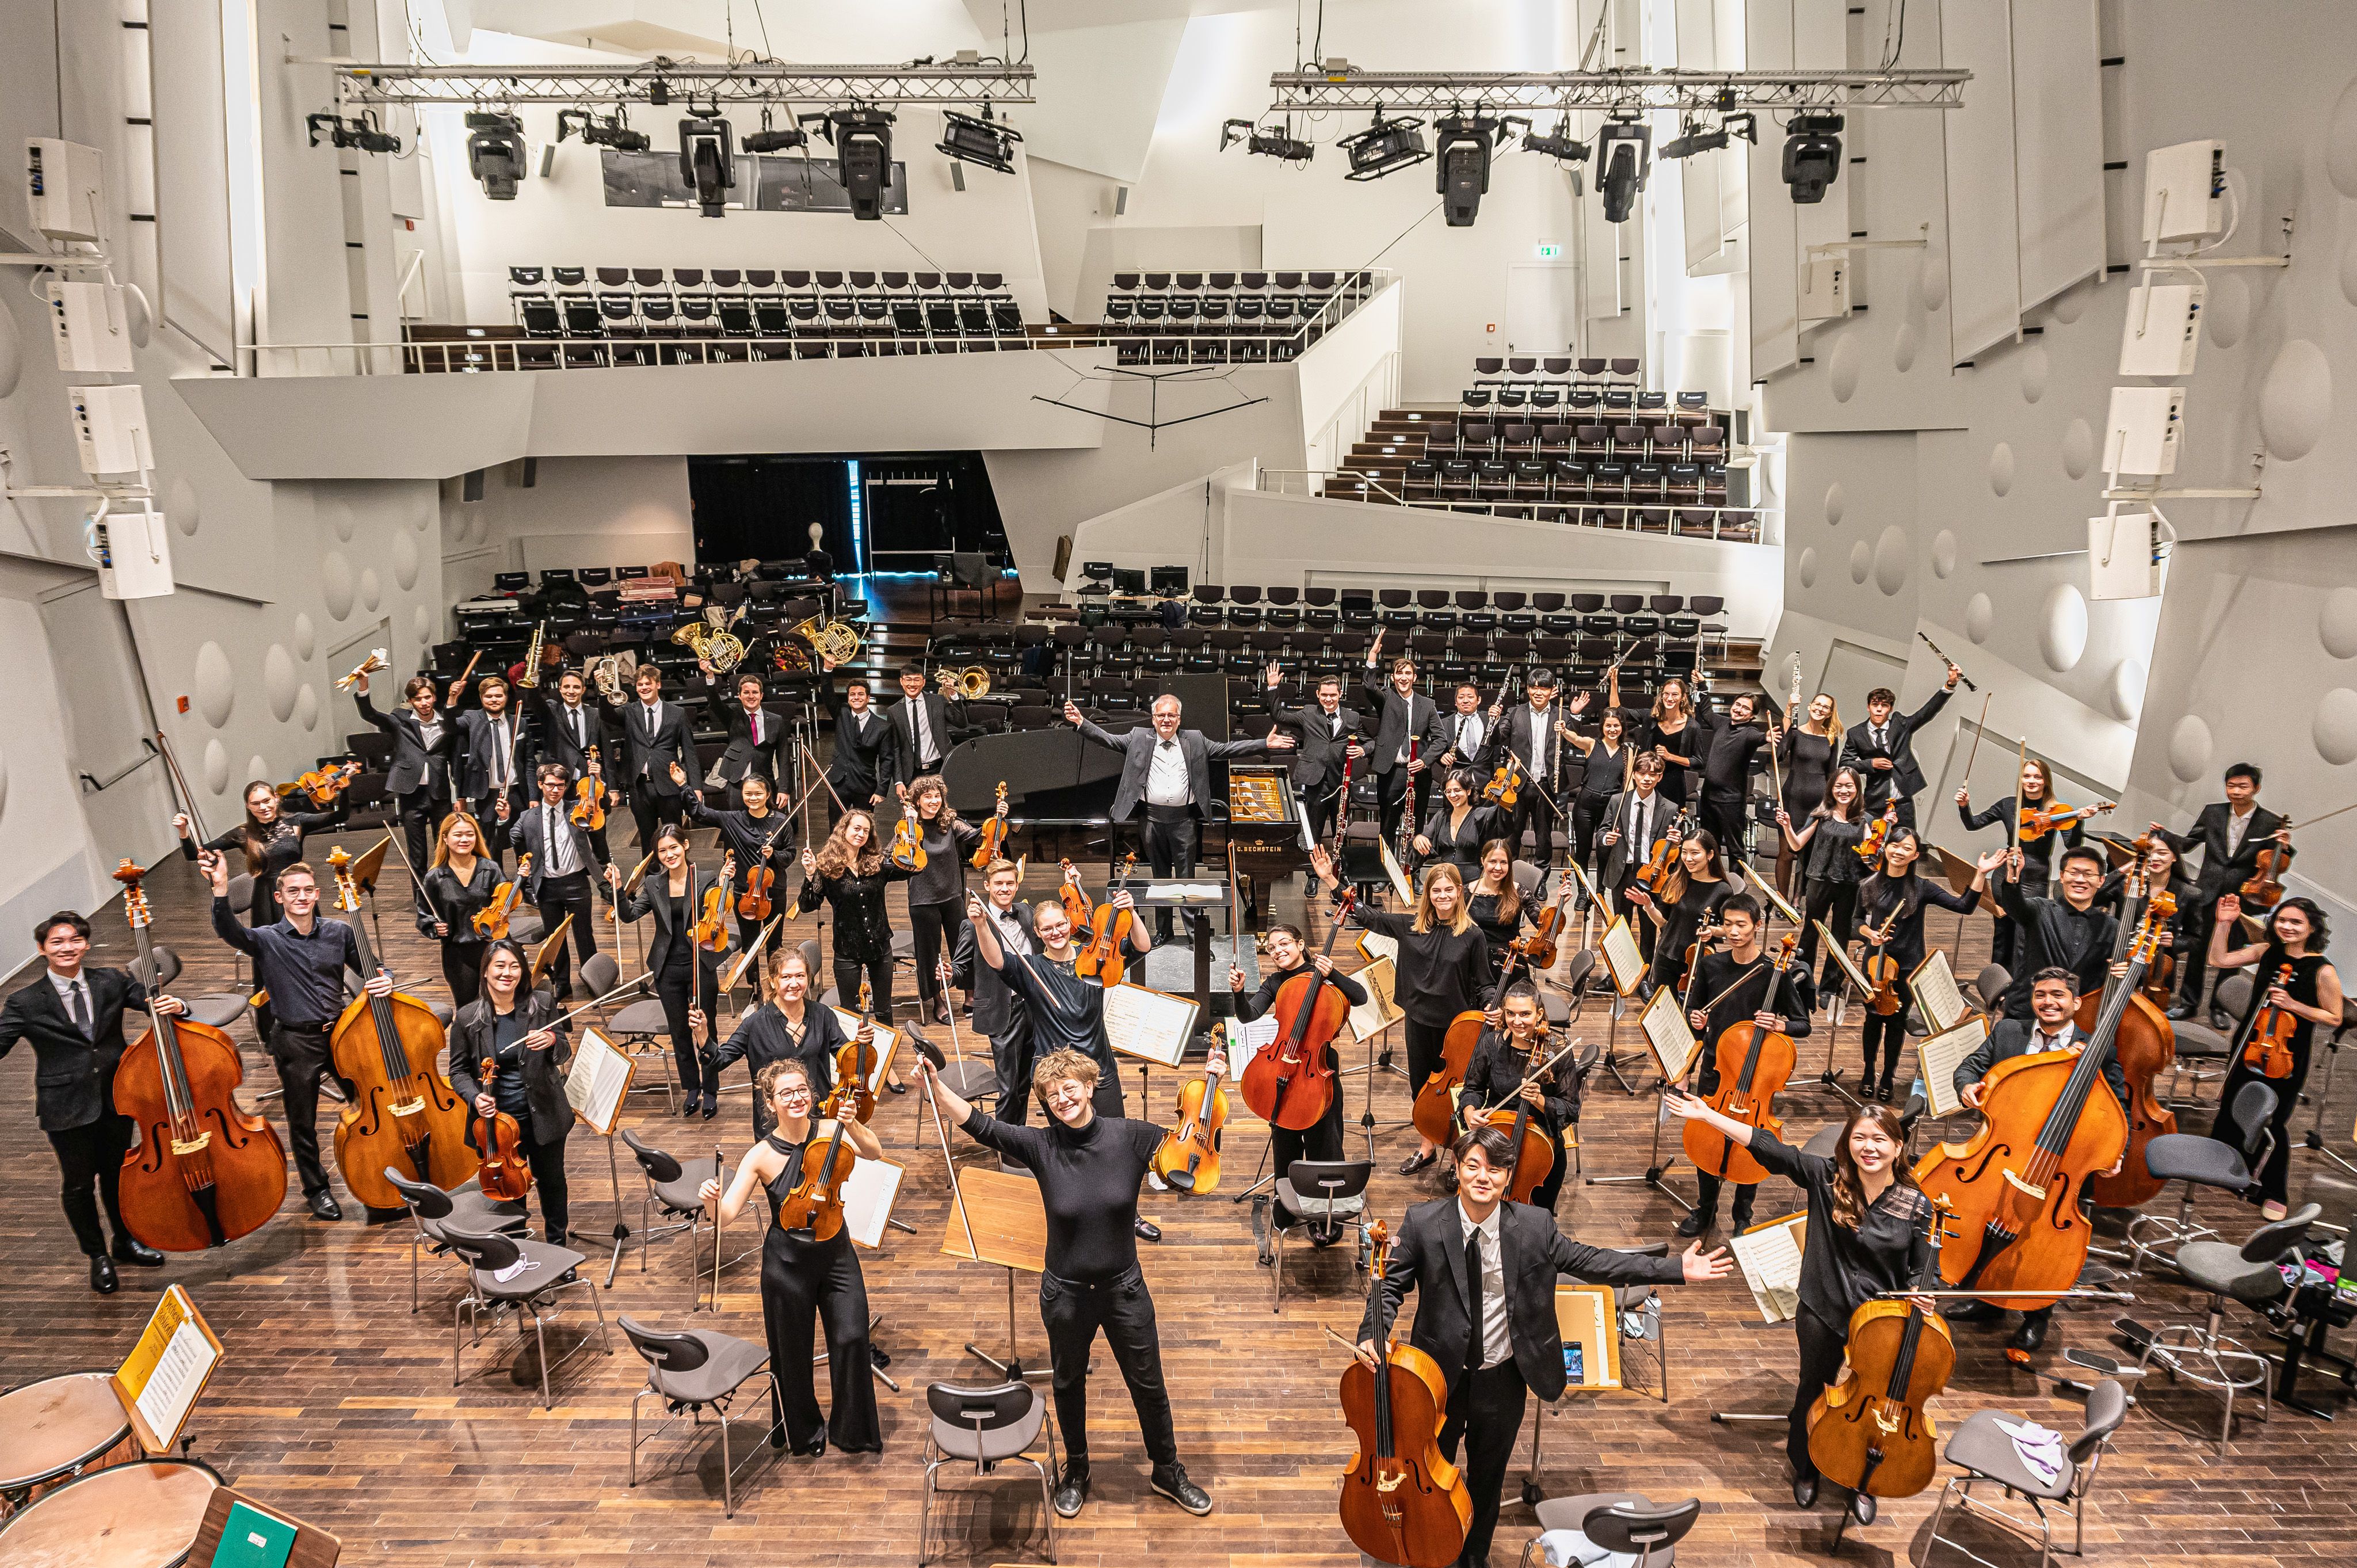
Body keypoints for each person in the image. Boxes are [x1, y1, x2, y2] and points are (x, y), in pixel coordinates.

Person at [1356, 1124, 1730, 1568]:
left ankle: (1473, 1555)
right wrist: (1370, 1332)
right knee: (1429, 1471)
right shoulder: (1422, 1222)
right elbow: (1389, 1288)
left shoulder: (1534, 1226)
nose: (1483, 1176)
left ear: (1508, 1177)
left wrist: (1675, 1270)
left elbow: (1594, 1260)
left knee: (1488, 1480)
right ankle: (1429, 1549)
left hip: (1503, 1380)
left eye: (1495, 1169)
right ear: (1456, 1168)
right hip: (1436, 1381)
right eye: (1473, 1165)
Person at [916, 1046, 1222, 1517]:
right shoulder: (1042, 1146)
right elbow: (982, 1126)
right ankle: (1077, 1469)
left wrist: (1213, 1086)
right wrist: (937, 1089)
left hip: (1125, 1288)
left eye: (1070, 1088)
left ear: (1090, 1085)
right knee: (1068, 1382)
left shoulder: (1133, 1136)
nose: (1063, 1098)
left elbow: (1194, 1148)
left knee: (1149, 1385)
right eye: (1052, 1093)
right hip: (1066, 1294)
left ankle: (1167, 1469)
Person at [1662, 1094, 1931, 1522]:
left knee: (1877, 1400)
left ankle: (1863, 1477)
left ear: (1898, 1147)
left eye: (1880, 1139)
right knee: (1813, 1388)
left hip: (1881, 1322)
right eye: (1859, 1138)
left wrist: (1922, 1289)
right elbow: (1770, 1148)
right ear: (1847, 1145)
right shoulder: (1827, 1178)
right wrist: (1709, 1115)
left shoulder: (1917, 1205)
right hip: (1824, 1308)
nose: (1869, 1147)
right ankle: (1806, 1466)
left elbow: (1922, 1267)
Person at [700, 1058, 886, 1456]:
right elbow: (727, 1215)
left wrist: (852, 1122)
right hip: (786, 1265)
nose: (797, 1097)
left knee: (853, 1337)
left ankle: (852, 1430)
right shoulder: (760, 1155)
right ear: (770, 1102)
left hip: (836, 1253)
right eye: (786, 1092)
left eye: (802, 1088)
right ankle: (804, 1432)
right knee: (792, 1354)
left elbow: (874, 1151)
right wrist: (711, 1202)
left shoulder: (831, 1127)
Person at [1944, 967, 2127, 1356]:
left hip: (2059, 1166)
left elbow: (2117, 1106)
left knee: (2043, 1242)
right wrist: (1968, 1087)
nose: (2049, 1002)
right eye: (2041, 994)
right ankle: (1986, 1300)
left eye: (2058, 995)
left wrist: (2116, 1152)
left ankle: (2037, 1314)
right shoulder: (2010, 1032)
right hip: (2006, 1159)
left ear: (2076, 1003)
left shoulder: (2095, 1047)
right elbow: (1970, 1067)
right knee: (1991, 1218)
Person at [0, 912, 182, 1292]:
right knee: (80, 1183)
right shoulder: (25, 1001)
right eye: (57, 942)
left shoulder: (111, 980)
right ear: (42, 949)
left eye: (74, 940)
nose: (66, 948)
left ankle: (125, 1240)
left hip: (117, 1095)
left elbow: (148, 1000)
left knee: (118, 1174)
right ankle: (97, 1255)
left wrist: (174, 1004)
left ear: (85, 944)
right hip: (65, 1105)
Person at [200, 853, 384, 1220]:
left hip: (342, 1036)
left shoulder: (338, 932)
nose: (301, 896)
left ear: (317, 894)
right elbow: (229, 932)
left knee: (368, 1109)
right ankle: (317, 1190)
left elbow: (370, 966)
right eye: (292, 891)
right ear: (279, 898)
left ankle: (376, 1179)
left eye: (307, 891)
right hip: (296, 1042)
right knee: (303, 1122)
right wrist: (220, 889)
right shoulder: (265, 939)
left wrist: (385, 976)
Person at [962, 884, 1157, 1200]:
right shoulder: (1031, 968)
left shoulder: (1096, 956)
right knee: (1072, 1147)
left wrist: (1131, 913)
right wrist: (982, 924)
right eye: (1048, 928)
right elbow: (997, 961)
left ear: (1069, 924)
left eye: (1061, 925)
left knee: (1114, 1144)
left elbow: (1142, 946)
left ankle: (1124, 1212)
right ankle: (1081, 1205)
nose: (1056, 932)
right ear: (1038, 933)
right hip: (1056, 1078)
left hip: (1099, 1068)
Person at [1313, 845, 1494, 1177]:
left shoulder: (1472, 936)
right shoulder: (1411, 926)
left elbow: (1484, 983)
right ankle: (1426, 1146)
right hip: (1417, 1019)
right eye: (1436, 891)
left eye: (1449, 890)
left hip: (1455, 1026)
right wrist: (1331, 881)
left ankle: (1458, 1156)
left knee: (1456, 1092)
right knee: (1420, 1088)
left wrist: (1491, 1004)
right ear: (1429, 894)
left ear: (1459, 893)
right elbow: (1367, 914)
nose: (1442, 896)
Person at [1067, 692, 1290, 942]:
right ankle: (1164, 932)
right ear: (1153, 719)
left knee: (1187, 881)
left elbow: (1228, 749)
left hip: (1184, 821)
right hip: (1151, 820)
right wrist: (1082, 723)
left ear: (1179, 718)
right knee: (1159, 879)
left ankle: (1195, 935)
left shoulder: (1195, 739)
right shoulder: (1138, 737)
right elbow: (1108, 739)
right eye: (1161, 715)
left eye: (1171, 715)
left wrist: (1263, 744)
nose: (1166, 720)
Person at [1674, 892, 1811, 1237]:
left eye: (1741, 925)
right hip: (1717, 1071)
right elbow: (1694, 1013)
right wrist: (1697, 1020)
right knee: (1708, 1136)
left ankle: (1743, 1213)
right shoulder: (1710, 965)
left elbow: (1803, 1024)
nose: (1733, 932)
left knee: (1752, 1141)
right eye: (1728, 924)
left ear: (1757, 926)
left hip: (1758, 1079)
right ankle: (1705, 1209)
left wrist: (1781, 1025)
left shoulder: (1773, 972)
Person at [2202, 894, 2342, 1220]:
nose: (2286, 927)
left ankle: (2274, 1191)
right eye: (2281, 920)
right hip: (2250, 1042)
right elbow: (2218, 960)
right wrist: (2224, 923)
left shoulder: (2322, 970)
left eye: (2296, 922)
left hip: (2286, 1054)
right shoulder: (2267, 952)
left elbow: (2334, 1018)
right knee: (2232, 1104)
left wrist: (2294, 1005)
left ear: (2311, 929)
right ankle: (2228, 1167)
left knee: (2271, 1119)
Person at [176, 777, 348, 1039]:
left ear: (276, 799)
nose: (263, 807)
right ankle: (273, 1029)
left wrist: (343, 791)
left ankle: (322, 1011)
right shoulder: (243, 833)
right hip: (266, 900)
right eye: (256, 804)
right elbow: (194, 855)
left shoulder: (296, 821)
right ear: (248, 806)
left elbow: (340, 816)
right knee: (269, 959)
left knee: (314, 952)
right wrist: (184, 833)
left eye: (267, 801)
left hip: (297, 894)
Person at [1227, 923, 1367, 1227]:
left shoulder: (1324, 974)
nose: (1278, 951)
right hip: (1283, 1071)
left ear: (1300, 944)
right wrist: (1239, 993)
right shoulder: (1276, 982)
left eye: (1284, 944)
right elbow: (1248, 1015)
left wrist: (1333, 974)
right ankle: (1285, 1212)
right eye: (1271, 948)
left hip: (1319, 1074)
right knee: (1285, 1145)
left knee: (1326, 1148)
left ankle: (1325, 1221)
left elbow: (1360, 997)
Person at [1853, 831, 2002, 1102]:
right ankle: (1867, 1072)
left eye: (1906, 848)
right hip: (1875, 964)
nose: (1898, 851)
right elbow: (1854, 923)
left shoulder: (1921, 887)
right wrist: (1870, 933)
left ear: (1915, 855)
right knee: (1873, 1020)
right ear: (1885, 848)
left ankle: (1888, 1077)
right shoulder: (1868, 884)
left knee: (1897, 1023)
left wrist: (1980, 875)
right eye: (1894, 845)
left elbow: (1964, 906)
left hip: (1908, 966)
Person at [448, 938, 571, 1243]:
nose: (508, 973)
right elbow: (458, 1071)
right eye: (500, 966)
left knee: (553, 1183)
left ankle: (559, 1246)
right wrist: (475, 1096)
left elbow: (563, 1052)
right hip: (497, 1123)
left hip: (543, 1112)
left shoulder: (542, 1004)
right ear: (486, 972)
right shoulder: (467, 1018)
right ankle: (515, 1250)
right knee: (509, 1191)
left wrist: (553, 1042)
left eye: (515, 966)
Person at [2153, 764, 2294, 1024]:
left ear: (2256, 789)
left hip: (2244, 896)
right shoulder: (2213, 812)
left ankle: (2220, 1007)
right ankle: (2188, 1003)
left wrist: (2284, 846)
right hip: (2207, 890)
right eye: (2231, 786)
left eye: (2243, 786)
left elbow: (2281, 859)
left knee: (2231, 953)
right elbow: (2188, 843)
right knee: (2197, 949)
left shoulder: (2270, 822)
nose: (2236, 792)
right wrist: (2165, 836)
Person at [607, 826, 726, 1118]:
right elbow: (629, 915)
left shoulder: (705, 877)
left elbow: (718, 911)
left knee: (704, 1028)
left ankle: (710, 1089)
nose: (669, 855)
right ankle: (692, 1088)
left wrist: (725, 885)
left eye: (674, 847)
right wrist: (619, 887)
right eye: (662, 851)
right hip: (667, 968)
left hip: (700, 964)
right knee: (678, 1033)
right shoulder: (653, 883)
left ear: (685, 845)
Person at [703, 949, 871, 1139]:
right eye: (786, 977)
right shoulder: (755, 1024)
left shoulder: (823, 1015)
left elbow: (848, 1060)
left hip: (817, 1117)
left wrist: (862, 1043)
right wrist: (703, 1037)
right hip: (775, 1124)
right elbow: (718, 1060)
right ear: (774, 981)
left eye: (800, 976)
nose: (794, 984)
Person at [1958, 759, 2097, 972]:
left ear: (2045, 781)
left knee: (2027, 931)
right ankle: (1999, 982)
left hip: (2036, 876)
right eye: (2027, 776)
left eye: (2037, 777)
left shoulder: (2056, 810)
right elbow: (1973, 824)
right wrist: (1964, 807)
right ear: (2021, 779)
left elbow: (2073, 845)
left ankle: (2020, 980)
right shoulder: (2009, 805)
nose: (2032, 781)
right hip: (2008, 870)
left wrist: (2079, 821)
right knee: (2003, 927)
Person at [1456, 981, 1579, 1213]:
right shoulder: (1491, 1043)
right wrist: (1470, 1111)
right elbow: (1471, 1089)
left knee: (1536, 1222)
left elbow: (1572, 1109)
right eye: (1511, 1014)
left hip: (1540, 1150)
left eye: (1525, 1014)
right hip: (1495, 1139)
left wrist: (1540, 1101)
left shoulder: (1559, 1049)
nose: (1517, 1021)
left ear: (1539, 1013)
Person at [796, 811, 919, 1039]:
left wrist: (911, 828)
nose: (861, 834)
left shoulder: (876, 863)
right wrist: (811, 874)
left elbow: (914, 867)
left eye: (866, 830)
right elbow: (807, 905)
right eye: (856, 829)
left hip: (879, 947)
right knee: (850, 1013)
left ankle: (887, 1058)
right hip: (847, 950)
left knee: (884, 1010)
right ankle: (854, 1058)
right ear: (843, 830)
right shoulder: (826, 867)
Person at [351, 669, 459, 915]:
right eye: (418, 699)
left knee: (446, 847)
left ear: (434, 698)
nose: (424, 703)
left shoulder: (446, 721)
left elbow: (453, 757)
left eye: (427, 697)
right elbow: (370, 714)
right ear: (411, 701)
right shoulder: (400, 720)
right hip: (411, 793)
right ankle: (423, 901)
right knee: (417, 851)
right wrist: (364, 685)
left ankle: (447, 894)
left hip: (439, 793)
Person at [494, 764, 604, 1002]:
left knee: (585, 935)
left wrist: (596, 778)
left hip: (576, 882)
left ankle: (593, 982)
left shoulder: (579, 810)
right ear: (541, 785)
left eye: (561, 786)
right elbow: (506, 842)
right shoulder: (527, 818)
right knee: (556, 939)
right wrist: (503, 820)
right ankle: (561, 983)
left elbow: (599, 821)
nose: (555, 791)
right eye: (551, 785)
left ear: (567, 787)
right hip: (547, 886)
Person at [898, 775, 998, 1025]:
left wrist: (997, 818)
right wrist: (910, 829)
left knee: (962, 945)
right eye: (927, 797)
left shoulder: (950, 823)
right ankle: (937, 1001)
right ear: (917, 801)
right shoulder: (909, 827)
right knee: (929, 953)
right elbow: (893, 857)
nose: (934, 801)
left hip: (952, 895)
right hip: (923, 901)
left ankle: (970, 995)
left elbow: (979, 837)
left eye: (937, 796)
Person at [1989, 844, 2117, 1021]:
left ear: (2101, 881)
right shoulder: (2039, 909)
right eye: (2074, 873)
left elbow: (2133, 972)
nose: (2080, 880)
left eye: (2088, 875)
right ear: (2063, 877)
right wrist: (2013, 877)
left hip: (2079, 1018)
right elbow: (2014, 905)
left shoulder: (2111, 927)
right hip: (2027, 1013)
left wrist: (2126, 969)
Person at [678, 766, 796, 954]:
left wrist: (774, 854)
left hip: (774, 893)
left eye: (758, 794)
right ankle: (754, 983)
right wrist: (683, 785)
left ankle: (774, 983)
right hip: (745, 894)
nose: (753, 798)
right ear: (742, 795)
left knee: (775, 945)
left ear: (768, 795)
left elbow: (791, 854)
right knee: (749, 947)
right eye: (748, 794)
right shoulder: (732, 819)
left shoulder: (781, 821)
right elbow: (699, 812)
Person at [1780, 765, 1867, 1004]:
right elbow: (1797, 845)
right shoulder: (1821, 814)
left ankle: (1830, 987)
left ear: (1857, 789)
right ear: (1831, 788)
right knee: (1811, 931)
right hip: (1820, 880)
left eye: (1849, 786)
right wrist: (1787, 826)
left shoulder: (1864, 821)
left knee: (1840, 936)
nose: (1844, 790)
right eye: (1839, 786)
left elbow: (1874, 855)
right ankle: (1803, 979)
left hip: (1850, 884)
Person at [964, 858, 1039, 1127]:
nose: (1005, 888)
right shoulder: (973, 924)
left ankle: (1018, 1138)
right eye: (999, 884)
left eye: (1010, 883)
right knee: (1008, 1087)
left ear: (1017, 885)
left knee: (1026, 1081)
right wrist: (950, 974)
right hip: (1002, 1009)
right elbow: (964, 969)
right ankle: (1006, 1147)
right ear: (987, 886)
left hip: (1033, 1005)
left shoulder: (1027, 913)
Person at [1844, 661, 1961, 828]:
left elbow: (1925, 713)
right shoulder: (1856, 733)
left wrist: (1949, 685)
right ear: (1868, 707)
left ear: (1890, 709)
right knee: (1869, 845)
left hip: (1903, 801)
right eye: (1875, 705)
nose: (1879, 709)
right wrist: (1871, 764)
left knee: (1907, 841)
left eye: (1884, 706)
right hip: (1875, 801)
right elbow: (1845, 764)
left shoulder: (1900, 724)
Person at [1263, 665, 1365, 850]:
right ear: (1318, 694)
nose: (1328, 699)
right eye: (1324, 695)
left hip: (1341, 780)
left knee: (1340, 830)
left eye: (1333, 695)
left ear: (1340, 694)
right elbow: (1279, 715)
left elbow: (1370, 742)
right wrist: (1273, 688)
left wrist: (1363, 750)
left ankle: (1339, 871)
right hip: (1315, 781)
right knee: (1313, 830)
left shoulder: (1353, 717)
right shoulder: (1309, 713)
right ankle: (1312, 877)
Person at [1487, 667, 1581, 866]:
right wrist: (1493, 721)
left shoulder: (1562, 714)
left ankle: (1540, 880)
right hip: (1516, 785)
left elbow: (1574, 743)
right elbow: (1497, 739)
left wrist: (1575, 717)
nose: (1539, 693)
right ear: (1528, 689)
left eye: (1544, 688)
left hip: (1546, 785)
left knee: (1544, 837)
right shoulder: (1514, 713)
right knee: (1512, 836)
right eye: (1534, 688)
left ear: (1551, 690)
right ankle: (1508, 876)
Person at [1628, 828, 1734, 996]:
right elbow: (1663, 923)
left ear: (1710, 855)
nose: (1688, 858)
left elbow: (1729, 929)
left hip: (1697, 962)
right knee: (1662, 1012)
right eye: (1684, 852)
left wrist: (1713, 931)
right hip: (1665, 957)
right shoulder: (1675, 880)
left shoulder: (1723, 890)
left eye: (1695, 853)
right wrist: (1649, 906)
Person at [1596, 754, 1679, 956]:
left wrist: (1678, 840)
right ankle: (1618, 974)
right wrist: (1607, 838)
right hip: (1622, 871)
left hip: (1652, 875)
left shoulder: (1670, 808)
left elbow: (1674, 847)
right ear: (1634, 775)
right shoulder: (1618, 801)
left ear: (1660, 777)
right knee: (1620, 926)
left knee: (1648, 927)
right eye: (1642, 773)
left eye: (1653, 774)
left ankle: (1645, 973)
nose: (1647, 779)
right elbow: (1602, 831)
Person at [1361, 633, 1438, 846]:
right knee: (1387, 826)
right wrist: (1373, 656)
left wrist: (1425, 760)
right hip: (1392, 771)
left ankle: (1412, 874)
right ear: (1393, 678)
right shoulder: (1386, 698)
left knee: (1417, 828)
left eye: (1408, 673)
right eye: (1399, 674)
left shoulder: (1428, 704)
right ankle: (1386, 875)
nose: (1403, 677)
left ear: (1415, 677)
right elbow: (1369, 687)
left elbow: (1440, 740)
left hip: (1420, 773)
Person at [418, 811, 499, 1004]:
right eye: (458, 835)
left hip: (492, 947)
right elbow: (424, 915)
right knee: (467, 1008)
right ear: (445, 838)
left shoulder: (490, 869)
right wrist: (434, 927)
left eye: (470, 834)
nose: (465, 839)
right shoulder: (435, 878)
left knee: (500, 1005)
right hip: (457, 953)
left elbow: (504, 905)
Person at [612, 663, 694, 852]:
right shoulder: (629, 711)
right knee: (647, 838)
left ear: (658, 685)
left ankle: (678, 877)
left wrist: (695, 787)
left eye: (648, 683)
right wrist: (602, 692)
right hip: (640, 786)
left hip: (669, 785)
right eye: (640, 685)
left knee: (674, 836)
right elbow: (606, 715)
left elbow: (690, 752)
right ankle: (651, 877)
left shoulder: (677, 713)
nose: (644, 688)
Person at [537, 667, 613, 868]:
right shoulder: (552, 712)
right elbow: (534, 700)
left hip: (592, 785)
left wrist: (612, 786)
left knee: (598, 834)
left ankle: (605, 874)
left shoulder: (595, 715)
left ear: (583, 690)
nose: (571, 691)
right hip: (562, 783)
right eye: (567, 687)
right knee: (563, 833)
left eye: (576, 687)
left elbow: (606, 751)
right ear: (560, 690)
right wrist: (534, 672)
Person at [453, 673, 528, 865]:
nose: (494, 700)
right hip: (488, 794)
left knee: (523, 843)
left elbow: (528, 762)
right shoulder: (471, 718)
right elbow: (449, 726)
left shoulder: (518, 721)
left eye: (498, 696)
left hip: (516, 791)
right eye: (489, 696)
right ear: (481, 698)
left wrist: (534, 797)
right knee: (491, 844)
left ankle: (527, 886)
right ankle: (497, 886)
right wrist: (453, 699)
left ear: (506, 697)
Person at [1773, 692, 1843, 896]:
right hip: (1792, 798)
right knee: (1786, 853)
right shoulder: (1795, 733)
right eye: (1817, 704)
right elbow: (1778, 754)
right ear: (1809, 706)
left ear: (1830, 713)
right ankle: (1782, 899)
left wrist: (1833, 804)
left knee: (1807, 855)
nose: (1820, 709)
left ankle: (1797, 900)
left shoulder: (1831, 738)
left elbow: (1832, 773)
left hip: (1818, 801)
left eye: (1825, 707)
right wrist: (1787, 711)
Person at [1695, 691, 1772, 865]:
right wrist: (1702, 686)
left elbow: (1758, 738)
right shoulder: (1722, 723)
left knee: (1735, 849)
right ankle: (1711, 883)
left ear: (1752, 715)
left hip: (1731, 802)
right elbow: (1707, 712)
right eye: (1738, 704)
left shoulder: (1750, 733)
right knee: (1708, 846)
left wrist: (1766, 738)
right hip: (1708, 797)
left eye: (1745, 708)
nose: (1739, 709)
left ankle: (1737, 890)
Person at [817, 659, 891, 826]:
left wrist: (882, 790)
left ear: (868, 698)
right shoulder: (841, 713)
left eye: (860, 694)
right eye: (852, 695)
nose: (856, 698)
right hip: (839, 782)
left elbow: (887, 760)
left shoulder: (882, 726)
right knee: (836, 829)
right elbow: (828, 694)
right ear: (848, 698)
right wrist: (827, 670)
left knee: (864, 830)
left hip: (865, 785)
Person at [884, 662, 967, 800]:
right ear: (901, 681)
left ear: (923, 682)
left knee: (941, 813)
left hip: (939, 769)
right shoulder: (894, 711)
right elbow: (895, 748)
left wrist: (953, 694)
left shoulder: (937, 701)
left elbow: (961, 723)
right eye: (908, 680)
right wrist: (898, 781)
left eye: (917, 680)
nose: (913, 684)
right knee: (914, 817)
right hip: (911, 774)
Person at [1566, 708, 1631, 872]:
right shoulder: (1592, 744)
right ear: (1602, 727)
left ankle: (1600, 894)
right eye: (1608, 726)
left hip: (1610, 807)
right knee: (1583, 851)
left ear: (1622, 727)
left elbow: (1629, 782)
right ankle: (1582, 894)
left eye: (1616, 726)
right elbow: (1575, 739)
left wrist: (1627, 806)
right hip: (1585, 804)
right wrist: (1564, 730)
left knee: (1604, 852)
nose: (1612, 730)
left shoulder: (1627, 751)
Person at [705, 668, 788, 796]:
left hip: (765, 781)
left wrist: (784, 789)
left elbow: (783, 756)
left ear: (761, 695)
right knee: (737, 817)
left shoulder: (777, 720)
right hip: (737, 782)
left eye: (755, 692)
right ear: (740, 696)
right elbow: (715, 703)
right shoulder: (732, 715)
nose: (751, 696)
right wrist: (710, 677)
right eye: (746, 692)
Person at [1412, 769, 1509, 875]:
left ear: (1468, 791)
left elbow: (1502, 816)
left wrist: (1508, 777)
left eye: (1457, 790)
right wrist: (1418, 839)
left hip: (1472, 880)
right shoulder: (1442, 816)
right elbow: (1425, 839)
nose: (1452, 795)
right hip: (1444, 877)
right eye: (1448, 791)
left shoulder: (1481, 815)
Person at [1634, 676, 1703, 810]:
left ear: (1683, 697)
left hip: (1673, 784)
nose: (1670, 698)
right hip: (1648, 781)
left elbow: (1698, 762)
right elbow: (1618, 710)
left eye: (1675, 695)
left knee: (1670, 825)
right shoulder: (1651, 718)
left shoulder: (1692, 727)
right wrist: (1614, 682)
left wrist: (1670, 757)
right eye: (1666, 694)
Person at [1464, 840, 1529, 972]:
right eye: (1493, 862)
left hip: (1509, 960)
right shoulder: (1468, 892)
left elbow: (1544, 924)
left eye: (1503, 862)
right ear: (1483, 861)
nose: (1498, 868)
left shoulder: (1519, 891)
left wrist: (1559, 903)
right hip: (1475, 958)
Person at [1424, 681, 1493, 777]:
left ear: (1479, 700)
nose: (1465, 701)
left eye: (1470, 697)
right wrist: (1441, 757)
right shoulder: (1443, 724)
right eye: (1461, 698)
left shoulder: (1489, 720)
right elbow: (1434, 747)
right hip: (1456, 780)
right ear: (1456, 701)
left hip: (1486, 781)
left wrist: (1496, 720)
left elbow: (1497, 741)